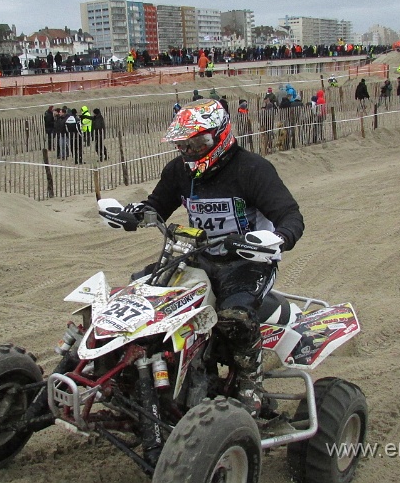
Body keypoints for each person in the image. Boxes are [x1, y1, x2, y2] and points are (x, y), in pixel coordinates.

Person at [128, 99, 304, 417]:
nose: (190, 151)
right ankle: (154, 372)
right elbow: (156, 205)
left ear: (220, 136)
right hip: (198, 258)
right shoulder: (179, 171)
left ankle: (251, 388)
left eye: (198, 142)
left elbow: (290, 215)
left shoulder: (252, 169)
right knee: (141, 291)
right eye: (184, 144)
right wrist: (135, 214)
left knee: (234, 316)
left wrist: (276, 239)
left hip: (248, 261)